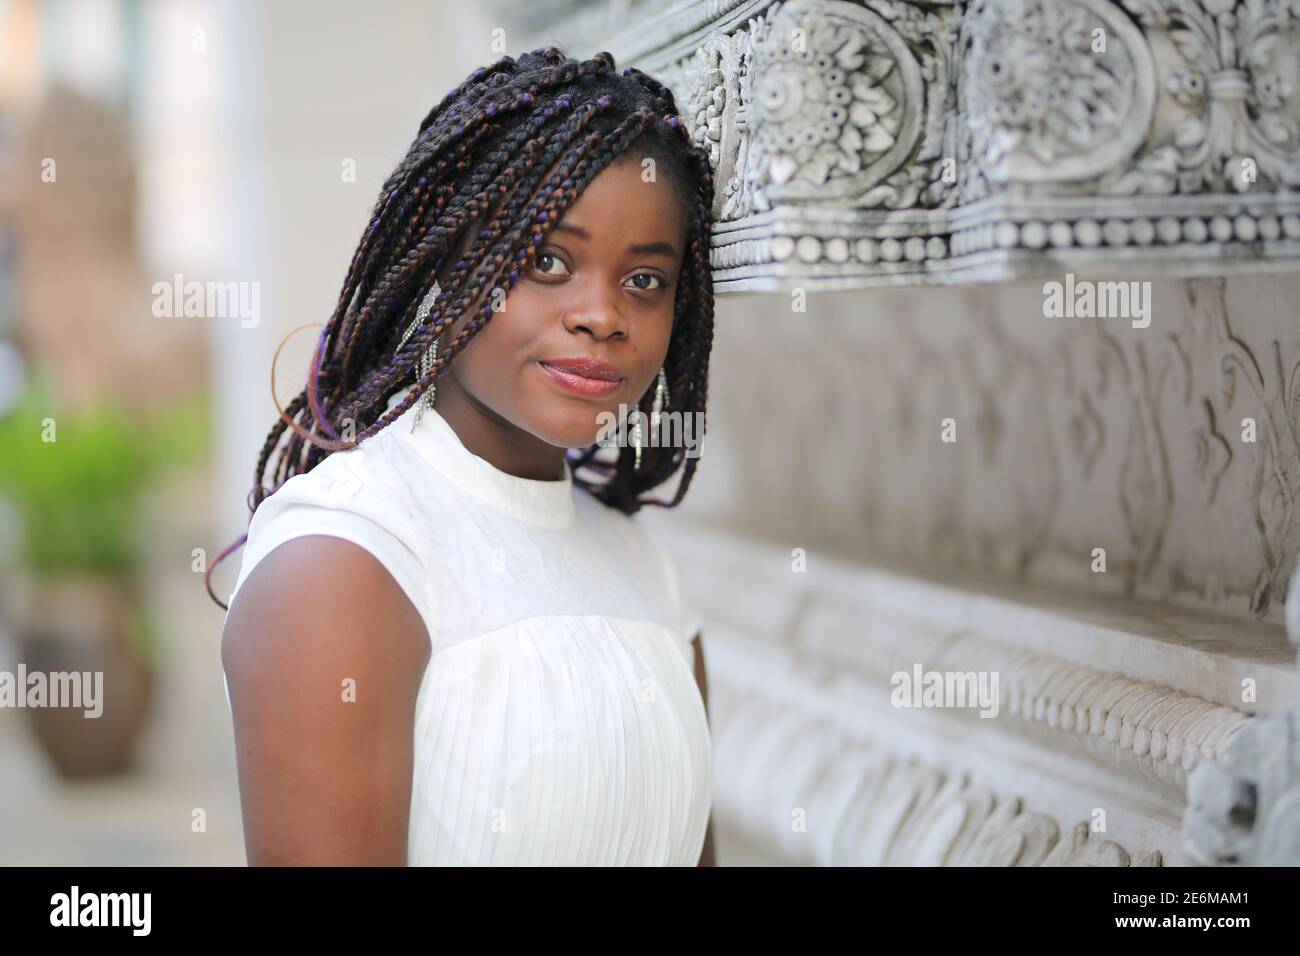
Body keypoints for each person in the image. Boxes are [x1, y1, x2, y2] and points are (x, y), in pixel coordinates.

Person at [209, 47, 718, 866]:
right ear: (450, 264)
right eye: (547, 260)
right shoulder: (347, 561)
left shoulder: (642, 564)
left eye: (646, 280)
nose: (601, 314)